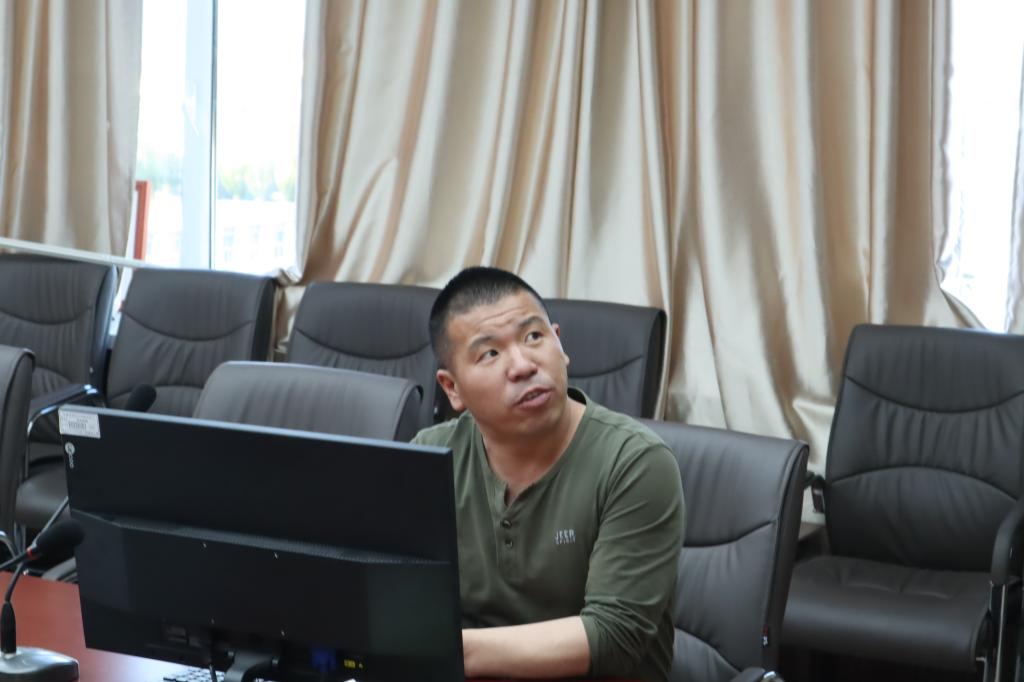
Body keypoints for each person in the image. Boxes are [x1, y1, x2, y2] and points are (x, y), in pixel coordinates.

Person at [412, 266, 685, 682]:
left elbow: (612, 637)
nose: (522, 365)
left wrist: (444, 648)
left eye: (534, 337)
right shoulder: (431, 457)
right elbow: (402, 601)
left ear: (560, 343)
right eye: (490, 354)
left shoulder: (635, 462)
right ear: (452, 388)